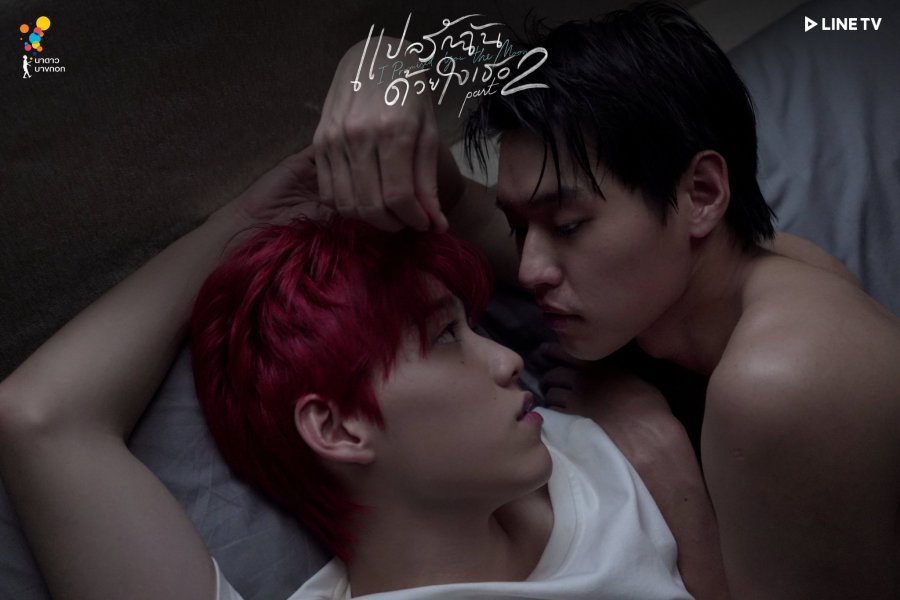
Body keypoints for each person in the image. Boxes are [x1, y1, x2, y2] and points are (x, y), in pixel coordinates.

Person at [312, 2, 900, 598]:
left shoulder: (781, 381)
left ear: (701, 194)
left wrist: (668, 468)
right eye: (519, 227)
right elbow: (449, 201)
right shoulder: (685, 280)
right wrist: (381, 65)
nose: (530, 269)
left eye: (567, 225)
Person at [0, 145, 724, 599]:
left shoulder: (596, 434)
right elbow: (40, 417)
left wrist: (674, 476)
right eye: (446, 337)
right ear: (338, 425)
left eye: (472, 326)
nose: (509, 360)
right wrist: (251, 218)